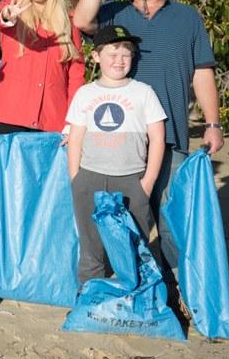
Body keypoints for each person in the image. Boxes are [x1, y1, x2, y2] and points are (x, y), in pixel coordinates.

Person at [72, 0, 221, 285]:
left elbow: (202, 73)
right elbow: (80, 21)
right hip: (117, 142)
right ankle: (117, 285)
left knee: (170, 222)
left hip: (169, 138)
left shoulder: (188, 18)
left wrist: (213, 123)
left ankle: (173, 289)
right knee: (118, 219)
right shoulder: (114, 14)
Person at [66, 25, 166, 284]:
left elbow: (157, 138)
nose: (119, 61)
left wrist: (148, 181)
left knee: (134, 243)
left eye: (126, 54)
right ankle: (88, 297)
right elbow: (75, 138)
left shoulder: (143, 92)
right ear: (96, 56)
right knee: (91, 247)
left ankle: (133, 294)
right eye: (112, 54)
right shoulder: (85, 93)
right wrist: (76, 178)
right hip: (89, 177)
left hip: (132, 179)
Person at [0, 0, 85, 134]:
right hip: (11, 115)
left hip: (53, 117)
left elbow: (76, 73)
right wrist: (6, 14)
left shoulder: (69, 21)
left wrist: (73, 118)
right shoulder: (12, 10)